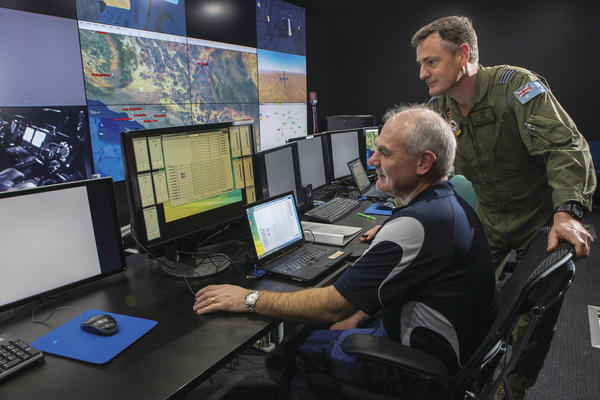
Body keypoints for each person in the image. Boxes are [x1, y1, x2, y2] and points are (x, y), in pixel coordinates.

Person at [193, 105, 497, 398]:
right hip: (452, 353)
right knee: (319, 331)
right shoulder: (447, 205)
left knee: (295, 350)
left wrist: (248, 298)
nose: (372, 159)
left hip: (420, 372)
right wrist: (359, 314)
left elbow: (331, 306)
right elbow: (403, 281)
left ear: (424, 162)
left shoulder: (415, 226)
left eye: (385, 153)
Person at [400, 15, 596, 399]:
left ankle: (514, 386)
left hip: (538, 222)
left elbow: (566, 148)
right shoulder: (440, 108)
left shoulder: (517, 88)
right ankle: (465, 367)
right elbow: (426, 168)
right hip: (488, 220)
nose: (422, 73)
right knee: (457, 292)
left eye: (431, 62)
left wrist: (566, 213)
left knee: (534, 316)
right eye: (420, 64)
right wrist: (400, 216)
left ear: (463, 55)